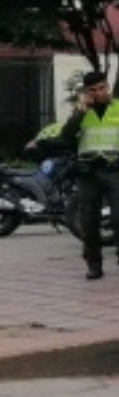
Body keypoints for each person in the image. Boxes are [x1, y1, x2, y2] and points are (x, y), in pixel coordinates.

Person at [53, 70, 119, 279]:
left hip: (115, 170)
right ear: (86, 92)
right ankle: (93, 263)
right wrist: (81, 111)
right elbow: (66, 136)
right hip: (89, 172)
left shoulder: (117, 108)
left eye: (101, 88)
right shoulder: (81, 113)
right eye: (93, 90)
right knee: (89, 220)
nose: (98, 93)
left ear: (107, 87)